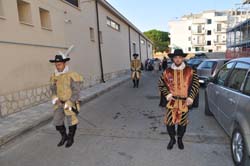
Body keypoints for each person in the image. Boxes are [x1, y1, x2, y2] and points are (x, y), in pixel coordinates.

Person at [158, 49, 199, 150]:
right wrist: (167, 94)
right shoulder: (167, 71)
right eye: (175, 57)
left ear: (183, 58)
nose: (177, 59)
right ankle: (172, 139)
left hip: (184, 102)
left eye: (180, 57)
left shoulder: (190, 71)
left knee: (182, 123)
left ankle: (180, 139)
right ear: (173, 59)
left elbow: (196, 83)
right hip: (171, 101)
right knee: (169, 122)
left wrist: (191, 97)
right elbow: (161, 83)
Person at [49, 53, 83, 148]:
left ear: (64, 64)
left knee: (71, 121)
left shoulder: (72, 75)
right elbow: (52, 91)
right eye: (56, 65)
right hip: (59, 103)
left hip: (70, 103)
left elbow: (76, 91)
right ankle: (64, 136)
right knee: (57, 121)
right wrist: (55, 99)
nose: (57, 66)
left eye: (59, 64)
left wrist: (70, 102)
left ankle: (71, 138)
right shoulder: (54, 77)